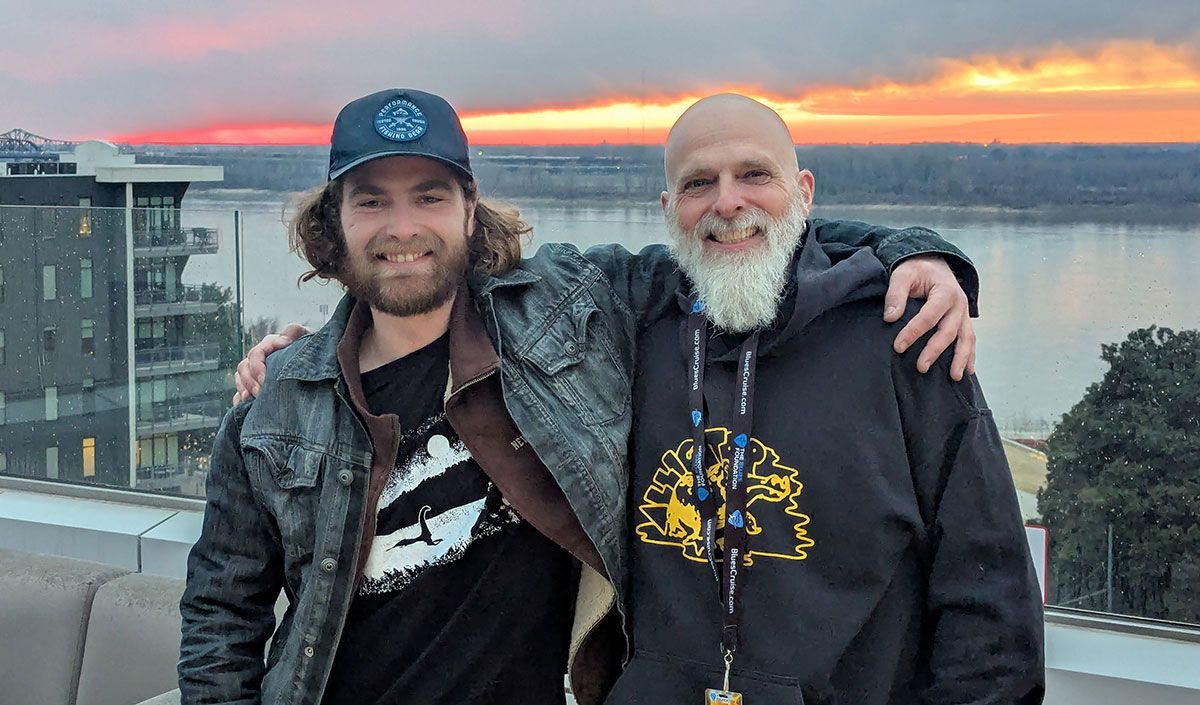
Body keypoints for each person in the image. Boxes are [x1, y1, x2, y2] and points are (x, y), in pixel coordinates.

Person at [195, 87, 980, 705]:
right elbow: (221, 617)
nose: (403, 228)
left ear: (469, 209)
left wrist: (916, 252)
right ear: (334, 221)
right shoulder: (274, 411)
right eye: (372, 200)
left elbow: (735, 231)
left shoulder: (568, 310)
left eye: (429, 196)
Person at [604, 94, 1044, 704]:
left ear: (804, 193)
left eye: (755, 174)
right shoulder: (623, 335)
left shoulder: (905, 338)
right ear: (668, 208)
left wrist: (912, 248)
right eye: (698, 183)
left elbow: (990, 604)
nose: (727, 202)